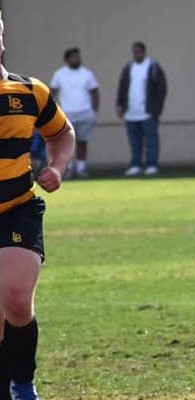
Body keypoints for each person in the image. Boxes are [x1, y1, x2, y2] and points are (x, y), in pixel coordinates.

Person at [0, 9, 76, 400]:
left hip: (17, 207)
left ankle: (24, 383)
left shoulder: (29, 93)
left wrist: (58, 169)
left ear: (1, 40)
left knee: (14, 298)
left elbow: (62, 134)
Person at [116, 41, 167, 177]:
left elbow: (161, 89)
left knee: (151, 140)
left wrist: (157, 108)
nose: (136, 54)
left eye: (139, 52)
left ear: (144, 52)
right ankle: (136, 164)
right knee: (134, 141)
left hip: (148, 112)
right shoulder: (128, 67)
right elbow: (122, 87)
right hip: (131, 112)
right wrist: (120, 105)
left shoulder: (153, 66)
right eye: (134, 52)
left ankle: (152, 164)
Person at [50, 47, 99, 178]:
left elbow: (94, 92)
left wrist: (94, 111)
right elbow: (52, 92)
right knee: (67, 142)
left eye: (78, 57)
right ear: (67, 59)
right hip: (67, 114)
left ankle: (81, 169)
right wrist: (54, 111)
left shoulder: (87, 73)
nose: (76, 59)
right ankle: (68, 169)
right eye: (73, 57)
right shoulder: (59, 74)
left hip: (85, 112)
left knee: (83, 141)